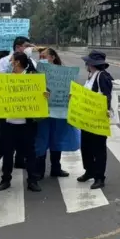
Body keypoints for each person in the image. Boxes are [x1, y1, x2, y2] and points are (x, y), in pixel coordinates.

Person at [0, 52, 41, 192]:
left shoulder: (32, 77)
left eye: (11, 60)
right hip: (8, 123)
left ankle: (32, 180)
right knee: (8, 152)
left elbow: (43, 90)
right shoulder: (5, 78)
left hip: (27, 124)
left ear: (17, 62)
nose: (9, 62)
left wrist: (45, 93)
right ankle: (5, 179)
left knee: (30, 153)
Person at [32, 48, 80, 179]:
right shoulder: (36, 72)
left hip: (59, 111)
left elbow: (71, 88)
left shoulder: (64, 73)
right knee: (41, 139)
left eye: (44, 56)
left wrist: (70, 95)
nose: (41, 58)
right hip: (43, 112)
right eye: (40, 56)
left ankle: (56, 168)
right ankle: (39, 170)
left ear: (52, 57)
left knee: (57, 139)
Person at [78, 50, 112, 189]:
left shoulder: (102, 76)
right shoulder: (91, 75)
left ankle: (99, 177)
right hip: (87, 118)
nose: (86, 64)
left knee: (98, 149)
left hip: (98, 119)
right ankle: (89, 171)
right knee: (86, 146)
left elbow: (106, 96)